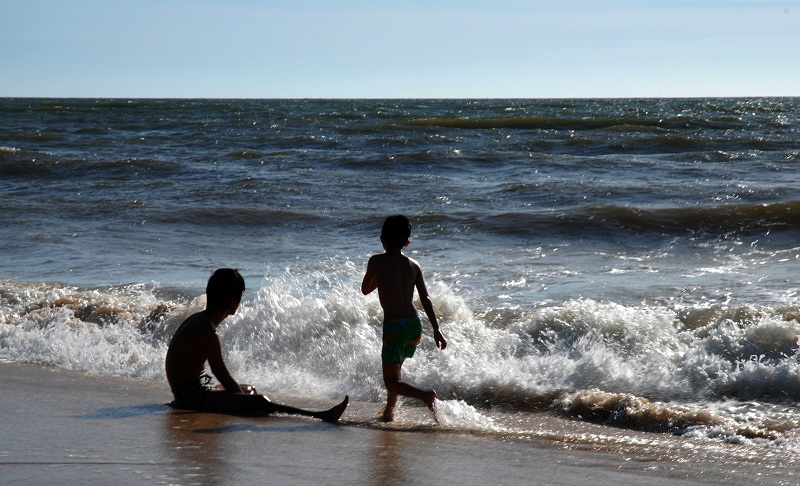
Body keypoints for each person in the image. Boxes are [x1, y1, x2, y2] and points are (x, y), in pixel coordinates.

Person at [165, 268, 349, 423]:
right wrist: (241, 398)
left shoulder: (198, 320)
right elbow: (222, 375)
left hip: (194, 389)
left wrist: (240, 394)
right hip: (190, 397)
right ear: (232, 300)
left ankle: (245, 403)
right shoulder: (207, 331)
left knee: (249, 389)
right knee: (259, 401)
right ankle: (320, 415)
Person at [361, 215, 447, 422]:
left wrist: (379, 277)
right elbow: (425, 298)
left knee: (391, 381)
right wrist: (436, 329)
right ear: (407, 243)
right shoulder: (414, 265)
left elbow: (365, 290)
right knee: (396, 372)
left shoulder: (376, 261)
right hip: (414, 327)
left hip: (394, 327)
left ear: (382, 239)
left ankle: (425, 396)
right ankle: (390, 412)